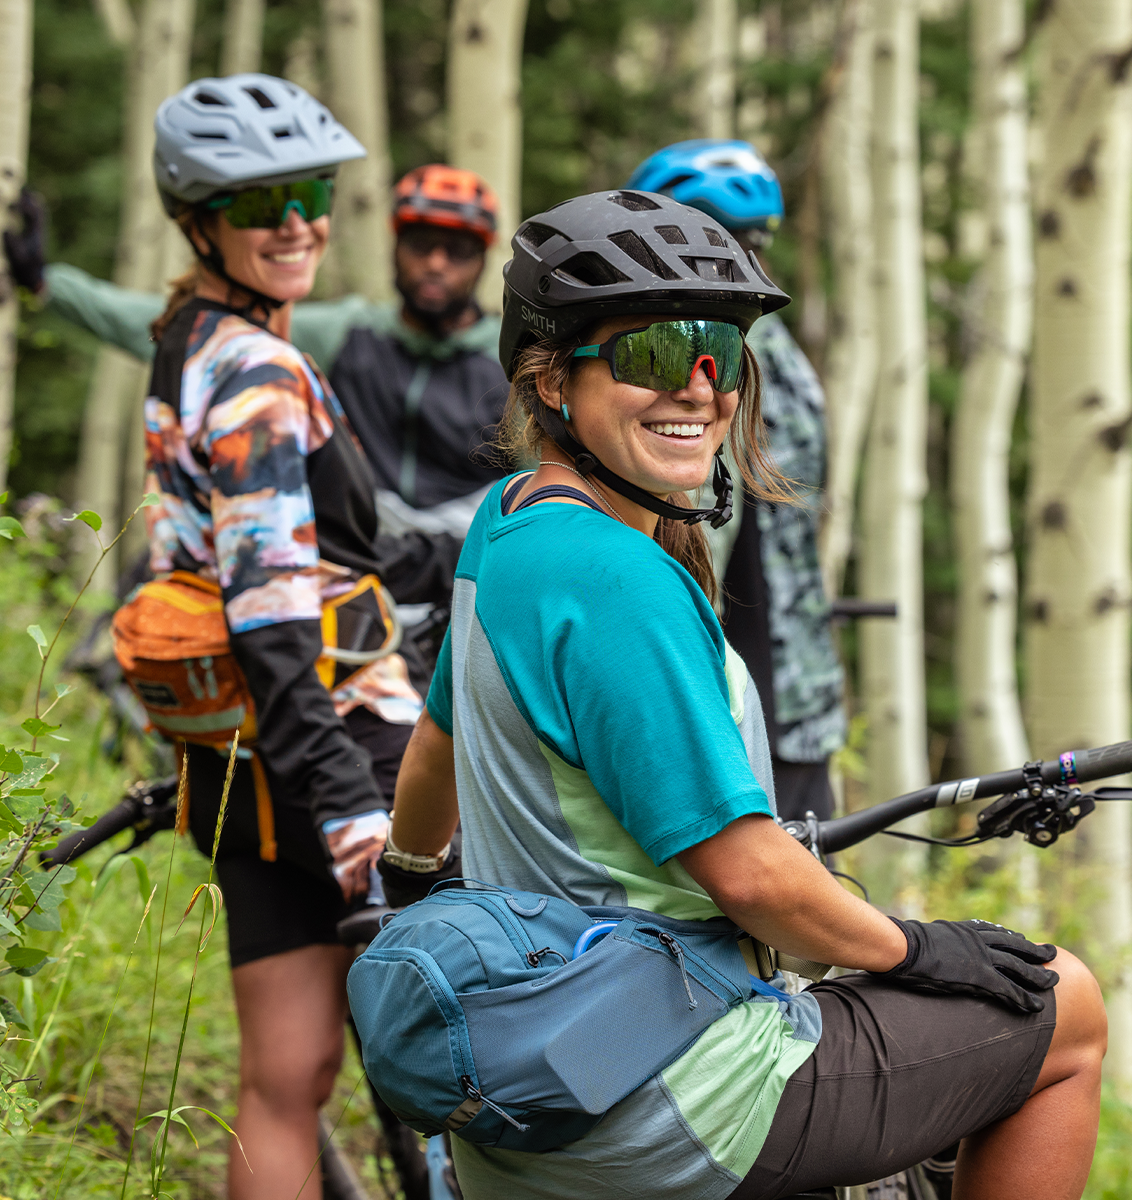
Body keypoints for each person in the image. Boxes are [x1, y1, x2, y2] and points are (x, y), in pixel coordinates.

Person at [377, 189, 1106, 1199]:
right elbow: (753, 879)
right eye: (655, 356)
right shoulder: (614, 576)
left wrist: (405, 886)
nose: (702, 390)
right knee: (1065, 1004)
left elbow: (432, 749)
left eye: (720, 352)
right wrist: (919, 947)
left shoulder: (508, 525)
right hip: (672, 1101)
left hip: (536, 1086)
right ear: (548, 379)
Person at [138, 73, 455, 1200]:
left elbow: (308, 547)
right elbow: (272, 605)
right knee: (463, 1064)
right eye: (260, 201)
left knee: (284, 1079)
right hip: (342, 744)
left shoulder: (188, 343)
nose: (295, 222)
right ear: (200, 218)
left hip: (234, 759)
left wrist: (458, 550)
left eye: (311, 192)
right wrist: (354, 810)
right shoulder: (262, 373)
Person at [5, 163, 511, 543]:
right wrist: (49, 284)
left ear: (483, 260)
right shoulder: (348, 333)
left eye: (459, 250)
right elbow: (186, 329)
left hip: (462, 566)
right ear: (396, 247)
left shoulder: (507, 361)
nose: (437, 264)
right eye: (421, 244)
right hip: (352, 552)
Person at [626, 140, 846, 823]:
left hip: (729, 708)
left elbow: (691, 539)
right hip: (798, 702)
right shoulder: (786, 356)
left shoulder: (707, 357)